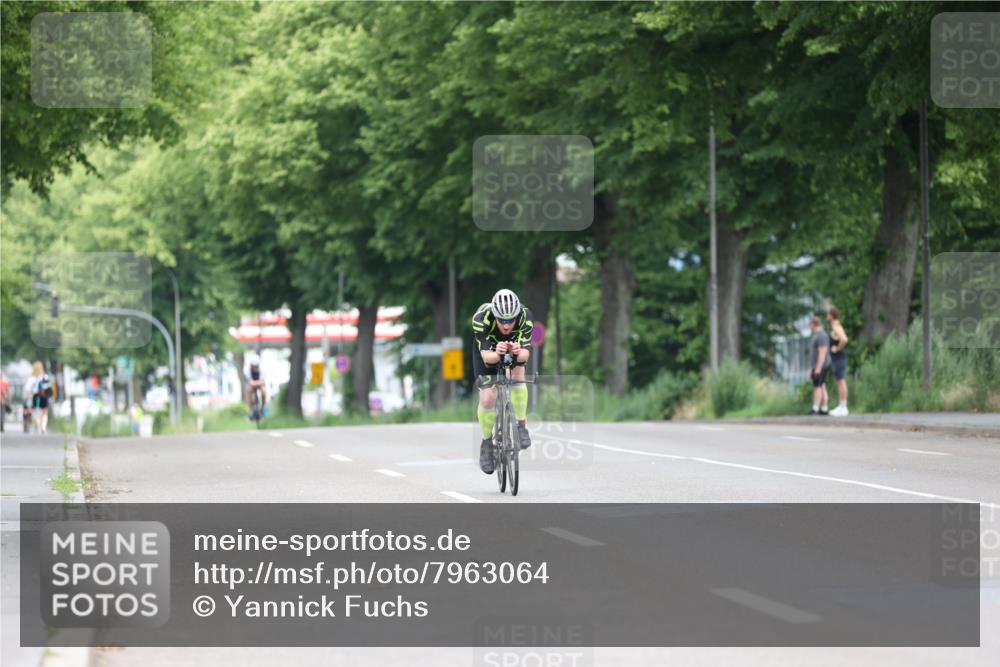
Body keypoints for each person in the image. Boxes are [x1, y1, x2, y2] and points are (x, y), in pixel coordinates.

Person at [472, 289, 533, 474]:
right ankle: (486, 442)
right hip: (487, 352)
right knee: (488, 399)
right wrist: (498, 352)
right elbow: (487, 359)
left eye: (510, 320)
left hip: (514, 348)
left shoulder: (525, 316)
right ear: (495, 316)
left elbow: (525, 356)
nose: (506, 326)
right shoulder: (482, 318)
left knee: (517, 374)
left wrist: (515, 352)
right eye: (502, 320)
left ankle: (521, 426)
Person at [827, 307, 850, 416]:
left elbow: (844, 339)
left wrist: (837, 348)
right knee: (839, 381)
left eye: (828, 314)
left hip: (839, 358)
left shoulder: (836, 327)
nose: (827, 316)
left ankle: (843, 407)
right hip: (836, 359)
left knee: (841, 381)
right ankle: (841, 406)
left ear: (832, 315)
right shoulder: (834, 327)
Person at [808, 316, 831, 416]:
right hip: (817, 365)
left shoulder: (821, 336)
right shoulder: (817, 335)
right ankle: (824, 408)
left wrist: (818, 368)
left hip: (821, 365)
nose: (809, 327)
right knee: (822, 386)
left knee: (817, 386)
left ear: (814, 324)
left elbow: (823, 352)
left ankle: (815, 408)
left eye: (810, 324)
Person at [26, 361, 53, 434]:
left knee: (36, 412)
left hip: (36, 397)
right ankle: (43, 427)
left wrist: (29, 398)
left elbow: (28, 391)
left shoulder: (31, 379)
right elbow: (49, 387)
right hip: (44, 397)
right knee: (44, 413)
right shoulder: (45, 377)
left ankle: (38, 426)